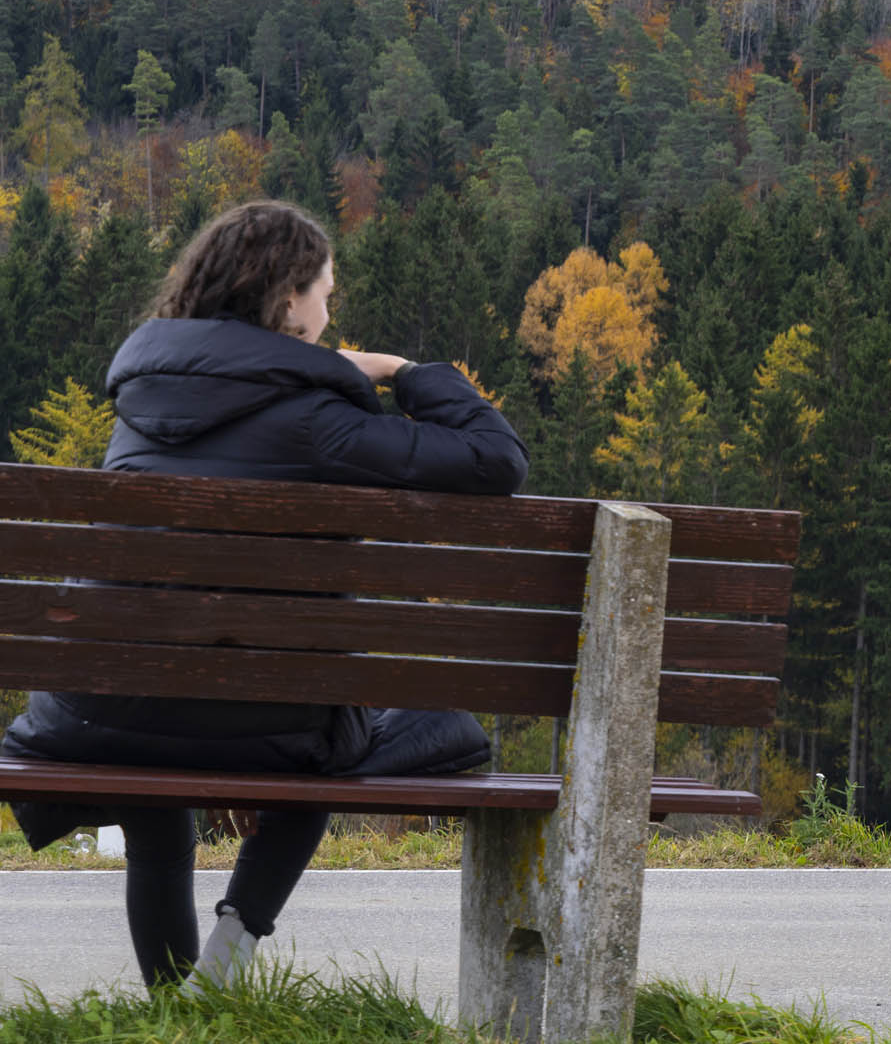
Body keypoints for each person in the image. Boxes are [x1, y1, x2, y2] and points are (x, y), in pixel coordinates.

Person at [3, 199, 528, 987]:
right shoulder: (325, 424)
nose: (330, 308)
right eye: (325, 290)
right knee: (416, 728)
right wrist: (402, 372)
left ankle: (176, 1008)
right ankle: (232, 950)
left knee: (170, 749)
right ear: (288, 302)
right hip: (279, 727)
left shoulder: (139, 411)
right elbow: (496, 461)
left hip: (101, 713)